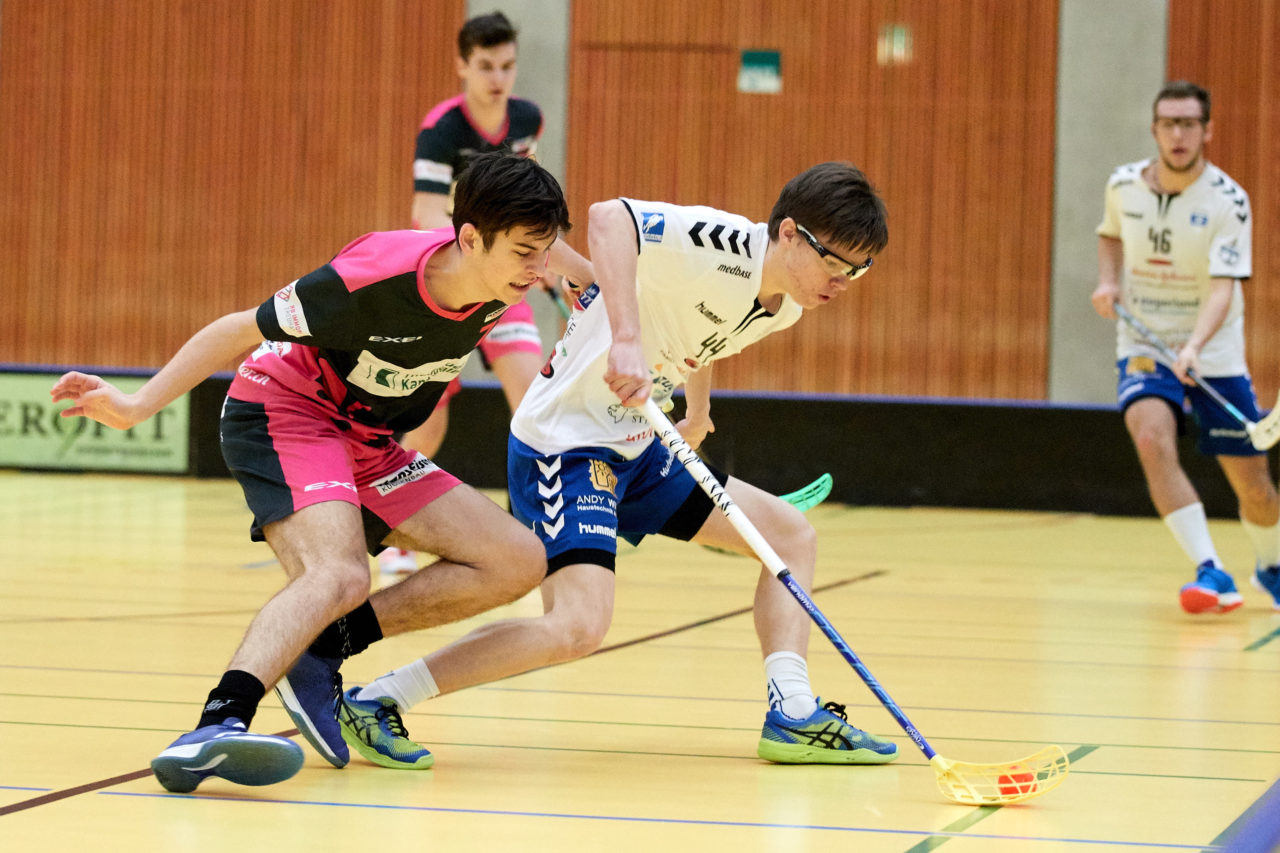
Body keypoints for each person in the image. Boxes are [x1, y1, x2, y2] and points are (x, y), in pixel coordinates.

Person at [283, 161, 902, 769]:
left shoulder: (786, 301)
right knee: (577, 627)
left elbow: (696, 328)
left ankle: (791, 711)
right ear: (789, 233)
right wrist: (626, 338)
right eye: (834, 261)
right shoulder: (722, 243)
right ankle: (378, 697)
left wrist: (698, 407)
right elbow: (610, 219)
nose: (843, 280)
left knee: (789, 534)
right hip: (568, 444)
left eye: (859, 269)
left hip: (641, 443)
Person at [51, 153, 591, 792]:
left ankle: (323, 647)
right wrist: (137, 405)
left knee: (516, 561)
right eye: (527, 254)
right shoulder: (370, 280)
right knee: (337, 572)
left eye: (545, 252)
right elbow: (237, 329)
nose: (540, 271)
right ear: (469, 238)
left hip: (369, 438)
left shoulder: (513, 269)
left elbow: (587, 266)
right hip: (288, 409)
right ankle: (215, 727)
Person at [1091, 80, 1280, 614]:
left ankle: (1271, 565)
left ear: (1207, 131)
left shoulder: (1229, 201)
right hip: (1145, 340)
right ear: (1154, 130)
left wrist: (1195, 347)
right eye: (1169, 123)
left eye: (1189, 124)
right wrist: (1109, 283)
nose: (1178, 134)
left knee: (1255, 487)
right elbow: (1109, 234)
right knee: (1150, 436)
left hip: (1213, 348)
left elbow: (1225, 289)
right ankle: (1210, 571)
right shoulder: (1123, 185)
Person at [380, 10, 552, 575]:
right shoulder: (443, 129)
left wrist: (537, 258)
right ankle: (393, 528)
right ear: (462, 66)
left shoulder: (527, 120)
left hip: (505, 289)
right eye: (484, 67)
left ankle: (533, 525)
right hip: (452, 289)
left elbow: (527, 199)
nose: (497, 79)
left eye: (506, 66)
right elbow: (427, 214)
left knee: (534, 406)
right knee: (429, 420)